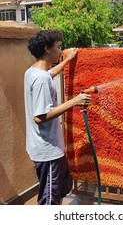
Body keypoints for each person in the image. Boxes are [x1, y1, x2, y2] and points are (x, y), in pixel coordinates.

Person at [24, 30, 91, 205]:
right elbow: (40, 116)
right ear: (47, 48)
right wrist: (75, 101)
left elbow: (50, 74)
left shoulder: (32, 72)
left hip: (51, 148)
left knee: (61, 187)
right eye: (58, 47)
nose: (60, 51)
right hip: (47, 151)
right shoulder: (40, 80)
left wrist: (68, 60)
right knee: (49, 200)